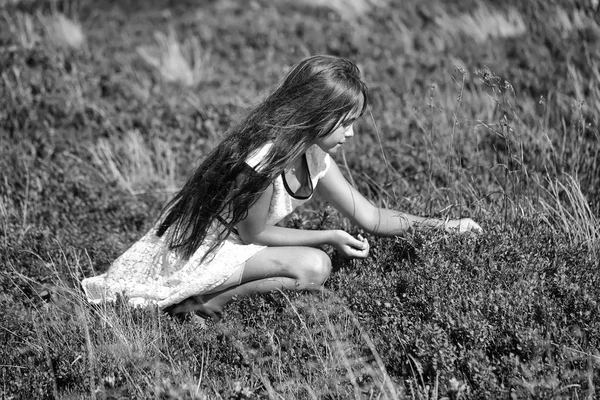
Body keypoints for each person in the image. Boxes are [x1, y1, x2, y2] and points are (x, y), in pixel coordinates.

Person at [81, 55, 481, 321]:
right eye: (345, 122)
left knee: (313, 264)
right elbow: (252, 233)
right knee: (314, 265)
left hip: (234, 249)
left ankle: (197, 306)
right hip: (200, 251)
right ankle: (197, 307)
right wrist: (328, 235)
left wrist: (445, 227)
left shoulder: (313, 156)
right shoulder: (263, 157)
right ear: (316, 113)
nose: (352, 132)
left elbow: (371, 216)